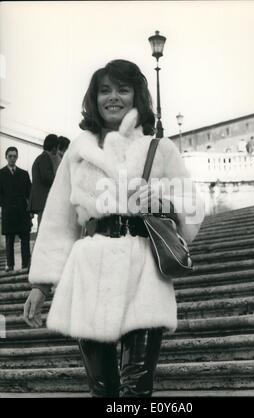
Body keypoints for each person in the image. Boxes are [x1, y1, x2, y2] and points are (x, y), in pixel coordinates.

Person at [23, 59, 204, 397]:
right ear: (94, 98)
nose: (113, 97)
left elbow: (192, 206)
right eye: (105, 90)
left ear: (137, 96)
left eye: (123, 89)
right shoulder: (79, 152)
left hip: (144, 270)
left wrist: (163, 200)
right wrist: (42, 286)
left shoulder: (160, 149)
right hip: (89, 268)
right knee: (102, 388)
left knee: (137, 387)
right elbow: (59, 221)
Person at [0, 147, 32, 272]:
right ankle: (10, 266)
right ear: (6, 157)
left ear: (17, 157)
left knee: (25, 239)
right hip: (8, 212)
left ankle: (26, 265)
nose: (12, 158)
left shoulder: (24, 174)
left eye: (14, 156)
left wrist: (30, 210)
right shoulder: (1, 174)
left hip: (22, 211)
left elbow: (30, 193)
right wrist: (5, 204)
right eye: (10, 156)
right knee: (9, 241)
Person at [28, 134, 58, 227]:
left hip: (40, 200)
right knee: (43, 229)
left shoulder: (41, 157)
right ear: (54, 147)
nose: (57, 151)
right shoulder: (45, 157)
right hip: (43, 200)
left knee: (43, 227)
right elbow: (46, 177)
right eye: (57, 147)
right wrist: (59, 182)